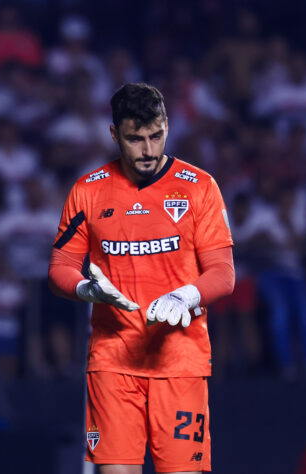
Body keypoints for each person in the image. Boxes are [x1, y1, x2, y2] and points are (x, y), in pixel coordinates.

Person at [48, 83, 235, 473]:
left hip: (180, 362)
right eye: (135, 139)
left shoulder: (200, 188)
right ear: (115, 134)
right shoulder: (88, 192)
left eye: (156, 136)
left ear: (166, 125)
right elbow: (60, 267)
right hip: (113, 361)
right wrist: (86, 289)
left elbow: (223, 273)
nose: (148, 150)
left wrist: (187, 295)